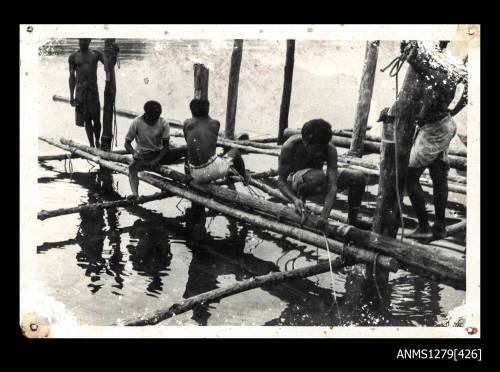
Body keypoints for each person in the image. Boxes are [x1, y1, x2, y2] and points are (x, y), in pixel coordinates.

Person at [400, 40, 468, 239]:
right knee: (438, 176)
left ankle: (423, 226)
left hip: (434, 130)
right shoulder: (450, 67)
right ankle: (439, 226)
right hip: (442, 124)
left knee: (409, 177)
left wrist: (410, 54)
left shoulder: (435, 70)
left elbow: (417, 65)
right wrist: (453, 111)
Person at [278, 119, 366, 229]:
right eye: (316, 149)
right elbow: (281, 181)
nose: (320, 153)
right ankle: (301, 205)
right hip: (296, 182)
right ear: (305, 143)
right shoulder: (290, 147)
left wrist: (324, 216)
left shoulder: (329, 149)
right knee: (318, 176)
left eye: (322, 149)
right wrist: (294, 199)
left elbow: (333, 185)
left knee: (358, 177)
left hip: (318, 178)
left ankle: (352, 220)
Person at [125, 101, 187, 197]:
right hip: (144, 155)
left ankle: (189, 180)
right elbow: (127, 143)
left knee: (186, 149)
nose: (156, 119)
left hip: (161, 153)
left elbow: (166, 147)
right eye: (154, 117)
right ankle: (135, 194)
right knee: (132, 167)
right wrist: (133, 153)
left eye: (158, 116)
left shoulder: (163, 122)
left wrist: (157, 160)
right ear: (146, 115)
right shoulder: (137, 122)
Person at [183, 99, 248, 184]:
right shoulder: (215, 123)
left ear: (192, 111)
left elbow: (189, 142)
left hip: (195, 173)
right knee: (235, 151)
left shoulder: (186, 124)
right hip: (212, 171)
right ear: (207, 110)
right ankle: (245, 178)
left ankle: (188, 176)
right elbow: (208, 124)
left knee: (188, 150)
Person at [69, 38, 105, 148]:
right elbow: (72, 77)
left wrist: (112, 54)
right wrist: (71, 95)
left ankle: (97, 140)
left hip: (93, 91)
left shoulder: (96, 54)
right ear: (78, 41)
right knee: (87, 120)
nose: (82, 42)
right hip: (80, 92)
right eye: (81, 40)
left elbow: (108, 65)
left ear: (89, 41)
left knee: (97, 119)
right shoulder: (73, 56)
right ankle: (91, 144)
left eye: (85, 40)